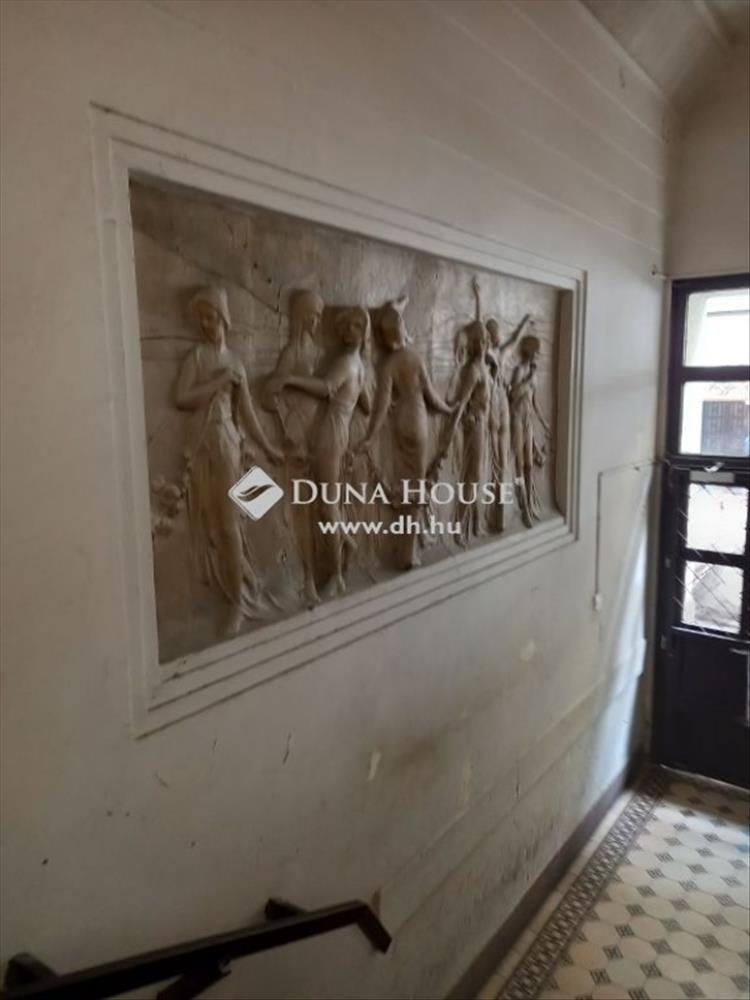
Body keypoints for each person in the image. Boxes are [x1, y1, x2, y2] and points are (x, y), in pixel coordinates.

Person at [174, 286, 282, 638]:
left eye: (211, 316)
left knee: (230, 523)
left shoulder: (235, 362)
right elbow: (181, 397)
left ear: (224, 318)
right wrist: (218, 381)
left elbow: (248, 413)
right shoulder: (197, 357)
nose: (206, 324)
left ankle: (238, 601)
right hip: (203, 447)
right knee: (215, 525)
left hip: (227, 445)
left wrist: (270, 448)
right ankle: (232, 592)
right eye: (202, 318)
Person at [272, 306, 371, 598]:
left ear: (364, 331)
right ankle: (344, 548)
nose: (348, 332)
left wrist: (289, 380)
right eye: (345, 326)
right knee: (327, 502)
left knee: (327, 505)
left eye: (355, 326)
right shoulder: (359, 364)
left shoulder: (346, 362)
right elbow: (366, 403)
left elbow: (327, 387)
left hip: (330, 433)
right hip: (339, 431)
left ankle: (338, 570)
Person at [359, 296, 453, 569]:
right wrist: (449, 408)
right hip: (416, 420)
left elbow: (381, 406)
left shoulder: (388, 364)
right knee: (416, 487)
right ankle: (408, 553)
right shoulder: (413, 358)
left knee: (407, 484)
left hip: (400, 424)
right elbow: (431, 396)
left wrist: (370, 436)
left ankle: (413, 539)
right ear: (402, 330)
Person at [509, 331, 550, 527]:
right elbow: (513, 396)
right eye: (537, 352)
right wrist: (528, 378)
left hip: (528, 421)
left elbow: (535, 403)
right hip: (516, 420)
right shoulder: (519, 371)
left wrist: (544, 423)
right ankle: (523, 507)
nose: (539, 355)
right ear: (531, 351)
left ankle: (530, 503)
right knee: (519, 465)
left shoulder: (534, 376)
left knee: (529, 464)